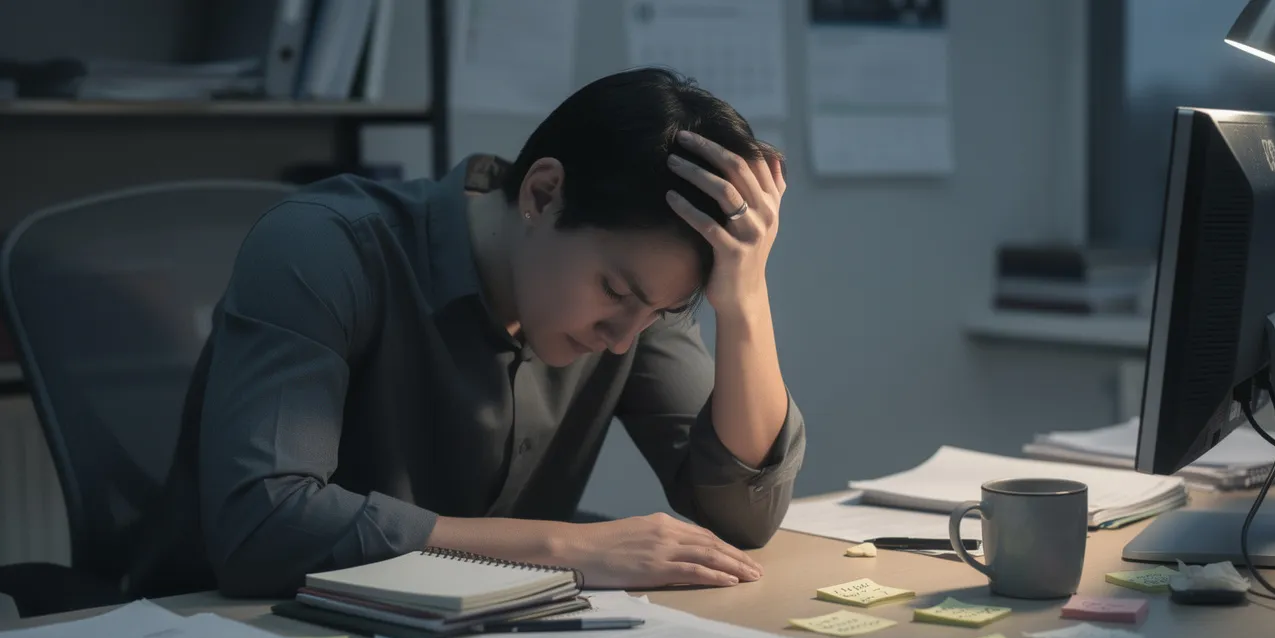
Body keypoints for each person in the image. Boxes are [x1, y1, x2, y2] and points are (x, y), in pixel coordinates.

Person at [135, 68, 805, 599]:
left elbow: (743, 515)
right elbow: (264, 526)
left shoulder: (631, 304)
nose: (625, 338)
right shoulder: (322, 250)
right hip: (237, 635)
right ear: (542, 196)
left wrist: (744, 300)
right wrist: (563, 547)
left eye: (658, 314)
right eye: (618, 293)